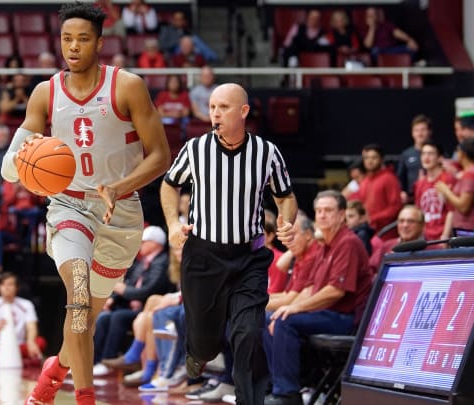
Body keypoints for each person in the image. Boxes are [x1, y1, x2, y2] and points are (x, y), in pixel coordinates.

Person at [1, 3, 171, 404]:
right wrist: (24, 161)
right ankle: (83, 397)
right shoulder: (45, 93)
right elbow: (10, 166)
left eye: (82, 39)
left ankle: (57, 366)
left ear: (99, 42)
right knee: (77, 295)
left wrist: (119, 186)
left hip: (121, 211)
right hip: (68, 208)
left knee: (86, 318)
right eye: (66, 39)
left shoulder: (127, 86)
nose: (73, 47)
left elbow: (161, 156)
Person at [160, 83, 298, 405]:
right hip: (203, 256)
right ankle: (197, 351)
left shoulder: (266, 152)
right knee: (206, 343)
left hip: (248, 259)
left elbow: (286, 196)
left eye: (222, 107)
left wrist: (286, 220)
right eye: (211, 107)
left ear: (243, 111)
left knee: (248, 334)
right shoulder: (195, 149)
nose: (215, 114)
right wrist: (171, 225)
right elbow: (169, 185)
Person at [263, 191, 372, 405]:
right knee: (269, 318)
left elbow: (335, 291)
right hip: (329, 313)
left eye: (328, 210)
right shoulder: (326, 246)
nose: (322, 215)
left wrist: (295, 308)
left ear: (342, 215)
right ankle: (276, 386)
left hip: (347, 319)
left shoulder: (347, 242)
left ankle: (288, 394)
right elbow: (314, 290)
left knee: (285, 320)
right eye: (319, 211)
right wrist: (292, 307)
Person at [92, 225, 172, 376]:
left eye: (144, 242)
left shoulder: (163, 262)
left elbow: (149, 290)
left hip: (146, 309)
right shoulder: (141, 263)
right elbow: (127, 283)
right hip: (129, 306)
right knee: (103, 317)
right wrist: (112, 299)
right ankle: (94, 362)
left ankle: (108, 360)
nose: (140, 245)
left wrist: (123, 290)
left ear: (155, 243)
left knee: (118, 317)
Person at [0, 272, 47, 368]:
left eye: (10, 284)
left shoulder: (26, 305)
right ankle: (21, 361)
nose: (6, 288)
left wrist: (30, 341)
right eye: (3, 284)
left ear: (17, 287)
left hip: (19, 345)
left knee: (40, 341)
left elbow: (31, 327)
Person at [349, 144, 402, 237]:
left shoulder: (389, 179)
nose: (370, 161)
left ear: (381, 159)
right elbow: (357, 203)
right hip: (368, 232)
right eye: (366, 158)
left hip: (386, 234)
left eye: (374, 157)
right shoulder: (364, 181)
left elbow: (395, 208)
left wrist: (372, 218)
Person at [413, 142, 455, 241]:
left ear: (440, 158)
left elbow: (452, 211)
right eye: (423, 153)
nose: (426, 157)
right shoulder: (419, 183)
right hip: (425, 238)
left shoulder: (448, 179)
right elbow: (419, 212)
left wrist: (445, 236)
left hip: (443, 236)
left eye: (430, 153)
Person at [437, 137, 474, 236]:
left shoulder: (470, 174)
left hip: (468, 232)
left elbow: (463, 207)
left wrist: (446, 191)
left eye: (457, 151)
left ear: (463, 153)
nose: (456, 154)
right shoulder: (467, 173)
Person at [397, 114, 432, 202]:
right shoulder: (406, 154)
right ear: (412, 133)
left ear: (429, 131)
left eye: (423, 130)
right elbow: (400, 178)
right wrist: (401, 192)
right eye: (416, 130)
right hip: (412, 198)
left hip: (432, 195)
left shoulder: (439, 152)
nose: (420, 133)